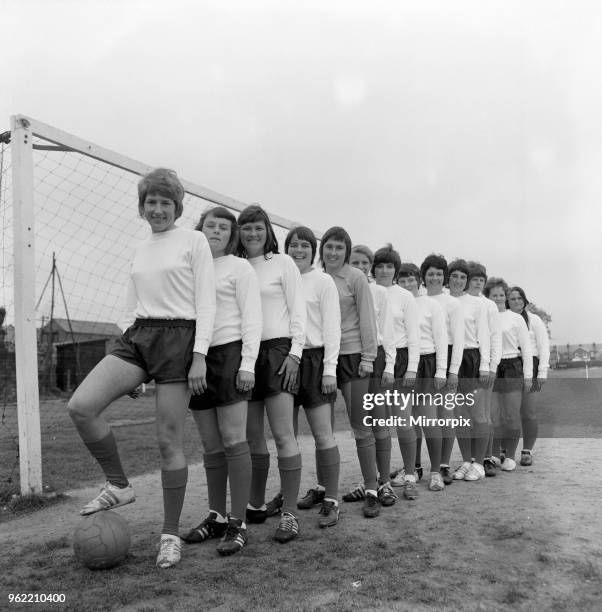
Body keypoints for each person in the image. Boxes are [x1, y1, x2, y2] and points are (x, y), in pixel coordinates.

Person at [67, 168, 216, 568]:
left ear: (177, 207)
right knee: (81, 406)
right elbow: (130, 304)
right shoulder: (140, 247)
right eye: (151, 202)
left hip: (179, 338)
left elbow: (206, 302)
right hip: (138, 336)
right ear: (142, 206)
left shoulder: (194, 240)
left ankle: (169, 535)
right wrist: (130, 363)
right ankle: (118, 484)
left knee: (168, 441)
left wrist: (199, 354)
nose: (158, 209)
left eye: (166, 203)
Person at [183, 207, 261, 555]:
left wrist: (247, 364)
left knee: (233, 439)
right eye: (210, 225)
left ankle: (238, 521)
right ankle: (216, 516)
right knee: (211, 445)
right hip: (196, 361)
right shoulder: (189, 267)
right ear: (200, 229)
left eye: (223, 227)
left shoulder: (239, 267)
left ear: (232, 236)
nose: (215, 231)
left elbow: (252, 319)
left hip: (230, 356)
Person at [238, 204, 306, 543]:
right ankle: (254, 505)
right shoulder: (234, 266)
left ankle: (291, 513)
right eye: (246, 227)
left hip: (279, 351)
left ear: (268, 231)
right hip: (244, 354)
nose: (252, 233)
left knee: (282, 434)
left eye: (258, 227)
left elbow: (299, 312)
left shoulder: (282, 263)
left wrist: (295, 354)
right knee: (252, 437)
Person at [284, 226, 342, 528]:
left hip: (316, 360)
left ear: (313, 249)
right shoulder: (281, 277)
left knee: (322, 434)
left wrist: (330, 369)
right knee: (286, 437)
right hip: (284, 360)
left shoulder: (322, 281)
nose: (298, 250)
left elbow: (333, 328)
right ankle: (287, 500)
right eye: (293, 244)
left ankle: (331, 499)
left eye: (304, 245)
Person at [321, 227, 380, 518]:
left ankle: (372, 489)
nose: (333, 252)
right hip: (322, 359)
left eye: (339, 248)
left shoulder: (355, 278)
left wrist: (368, 357)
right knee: (324, 430)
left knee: (361, 425)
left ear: (346, 251)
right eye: (329, 246)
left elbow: (368, 320)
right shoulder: (316, 278)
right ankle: (324, 490)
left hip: (354, 357)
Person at [348, 245, 397, 508]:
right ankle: (369, 481)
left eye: (364, 263)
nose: (360, 266)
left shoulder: (378, 292)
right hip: (350, 357)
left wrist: (389, 365)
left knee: (379, 420)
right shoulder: (340, 288)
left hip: (375, 357)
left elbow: (387, 332)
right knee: (360, 424)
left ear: (370, 266)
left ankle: (385, 481)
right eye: (354, 261)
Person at [371, 245, 420, 501]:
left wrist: (412, 368)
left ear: (396, 269)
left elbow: (414, 336)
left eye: (389, 266)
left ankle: (410, 476)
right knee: (379, 423)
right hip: (375, 358)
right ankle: (380, 480)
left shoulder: (405, 296)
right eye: (379, 265)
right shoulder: (367, 291)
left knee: (403, 420)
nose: (384, 270)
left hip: (401, 361)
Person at [396, 263, 448, 491]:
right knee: (407, 421)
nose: (407, 284)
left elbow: (441, 340)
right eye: (402, 280)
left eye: (410, 279)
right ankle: (413, 469)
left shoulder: (431, 305)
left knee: (428, 420)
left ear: (419, 280)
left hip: (426, 363)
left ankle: (435, 471)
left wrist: (441, 371)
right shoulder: (395, 302)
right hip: (402, 363)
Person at [420, 254, 465, 484]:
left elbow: (458, 340)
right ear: (424, 276)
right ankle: (417, 466)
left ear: (444, 277)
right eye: (431, 273)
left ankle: (444, 465)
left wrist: (453, 371)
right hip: (424, 360)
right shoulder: (417, 299)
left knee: (445, 415)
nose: (435, 278)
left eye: (439, 274)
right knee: (422, 417)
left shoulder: (453, 304)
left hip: (446, 361)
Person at [447, 259, 490, 481]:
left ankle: (480, 463)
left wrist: (484, 366)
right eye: (454, 276)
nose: (458, 281)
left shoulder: (477, 304)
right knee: (459, 416)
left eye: (463, 277)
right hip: (447, 358)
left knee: (478, 414)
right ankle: (466, 461)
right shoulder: (441, 300)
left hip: (471, 359)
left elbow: (484, 336)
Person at [483, 278, 533, 471]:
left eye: (501, 295)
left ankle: (510, 456)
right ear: (488, 297)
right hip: (491, 368)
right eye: (493, 295)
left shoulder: (515, 318)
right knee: (494, 416)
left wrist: (528, 376)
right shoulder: (485, 317)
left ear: (506, 296)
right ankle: (495, 454)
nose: (498, 298)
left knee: (511, 415)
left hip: (512, 367)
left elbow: (527, 350)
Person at [466, 262, 502, 477]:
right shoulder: (460, 301)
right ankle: (471, 457)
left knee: (484, 414)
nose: (478, 283)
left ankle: (486, 458)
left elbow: (494, 336)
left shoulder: (488, 305)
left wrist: (492, 366)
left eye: (482, 280)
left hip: (484, 363)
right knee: (468, 414)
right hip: (465, 363)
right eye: (475, 279)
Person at [507, 286, 550, 466]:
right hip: (510, 366)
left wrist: (542, 372)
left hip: (530, 365)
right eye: (512, 299)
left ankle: (527, 451)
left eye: (519, 298)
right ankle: (506, 452)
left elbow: (543, 347)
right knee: (508, 413)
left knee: (529, 412)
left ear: (524, 300)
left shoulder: (534, 320)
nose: (516, 301)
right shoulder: (504, 319)